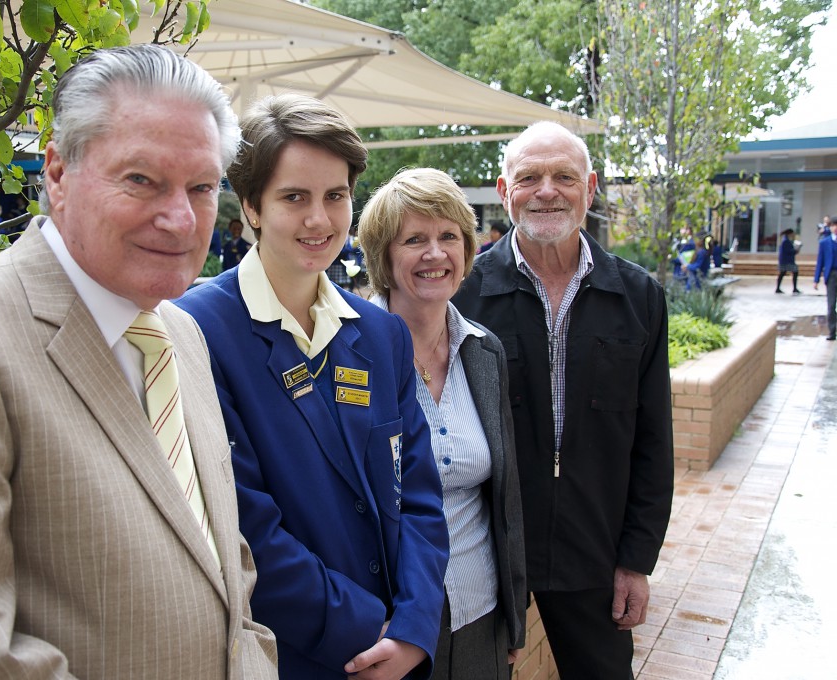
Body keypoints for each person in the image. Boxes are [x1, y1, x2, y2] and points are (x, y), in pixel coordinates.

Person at [0, 44, 277, 679]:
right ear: (58, 173)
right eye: (141, 179)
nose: (180, 219)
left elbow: (224, 568)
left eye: (202, 187)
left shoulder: (181, 333)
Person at [176, 93, 449, 680]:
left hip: (397, 651)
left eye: (336, 196)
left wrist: (414, 627)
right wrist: (367, 631)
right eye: (294, 197)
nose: (320, 220)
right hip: (288, 656)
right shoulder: (197, 330)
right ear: (250, 205)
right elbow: (243, 529)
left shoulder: (381, 335)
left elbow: (421, 495)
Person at [452, 121, 674, 680]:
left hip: (595, 554)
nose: (547, 191)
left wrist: (636, 560)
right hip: (489, 553)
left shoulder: (638, 296)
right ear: (505, 192)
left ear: (590, 188)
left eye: (564, 177)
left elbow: (654, 439)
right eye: (529, 177)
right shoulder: (464, 293)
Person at [358, 167, 527, 680]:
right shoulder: (349, 355)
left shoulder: (484, 351)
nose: (436, 254)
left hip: (480, 611)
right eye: (415, 239)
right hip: (391, 621)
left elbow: (506, 495)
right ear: (384, 256)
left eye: (448, 236)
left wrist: (515, 616)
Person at [814, 220, 837, 340]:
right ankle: (832, 331)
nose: (835, 228)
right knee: (831, 304)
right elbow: (820, 262)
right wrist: (816, 279)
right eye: (833, 226)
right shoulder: (824, 243)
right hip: (831, 275)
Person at [776, 228, 801, 294]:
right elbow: (788, 251)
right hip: (787, 260)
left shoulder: (786, 240)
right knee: (793, 272)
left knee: (783, 273)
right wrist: (795, 250)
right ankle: (794, 288)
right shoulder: (785, 241)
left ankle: (778, 288)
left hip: (785, 260)